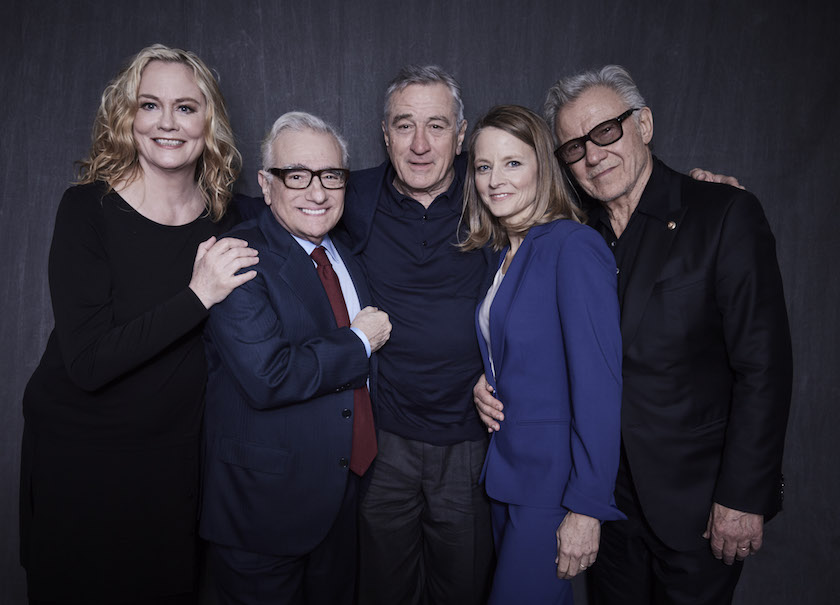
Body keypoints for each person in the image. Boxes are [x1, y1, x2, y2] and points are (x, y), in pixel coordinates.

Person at [476, 65, 792, 605]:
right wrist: (490, 381)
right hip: (608, 501)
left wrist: (744, 494)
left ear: (643, 125)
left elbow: (763, 364)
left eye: (605, 132)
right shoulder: (580, 230)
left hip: (695, 501)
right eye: (573, 147)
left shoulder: (720, 213)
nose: (592, 155)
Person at [19, 44, 258, 605]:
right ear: (127, 117)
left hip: (174, 464)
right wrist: (199, 295)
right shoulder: (85, 210)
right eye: (149, 105)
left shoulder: (234, 217)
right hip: (80, 460)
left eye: (186, 107)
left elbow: (312, 205)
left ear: (209, 120)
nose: (167, 123)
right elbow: (88, 362)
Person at [199, 112, 391, 605]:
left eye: (331, 176)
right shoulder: (238, 256)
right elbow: (268, 375)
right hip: (264, 511)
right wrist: (358, 342)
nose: (317, 192)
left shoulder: (345, 253)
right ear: (266, 185)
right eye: (297, 176)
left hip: (342, 496)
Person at [335, 65, 497, 605]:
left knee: (463, 588)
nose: (421, 144)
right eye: (405, 126)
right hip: (385, 441)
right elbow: (280, 205)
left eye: (437, 126)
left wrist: (686, 192)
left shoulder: (495, 188)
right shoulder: (351, 196)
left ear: (462, 132)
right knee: (382, 588)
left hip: (470, 438)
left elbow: (581, 200)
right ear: (385, 134)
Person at [460, 104, 624, 605]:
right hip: (510, 477)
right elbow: (522, 352)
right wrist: (483, 381)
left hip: (553, 491)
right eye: (484, 166)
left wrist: (587, 507)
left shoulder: (572, 246)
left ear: (541, 169)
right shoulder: (507, 254)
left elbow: (599, 385)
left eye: (512, 163)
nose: (494, 180)